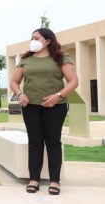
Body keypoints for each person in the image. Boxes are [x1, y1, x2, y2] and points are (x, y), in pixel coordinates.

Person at [10, 28, 78, 195]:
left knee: (53, 142)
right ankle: (34, 179)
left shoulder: (61, 57)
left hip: (55, 106)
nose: (32, 40)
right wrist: (20, 94)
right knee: (34, 141)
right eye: (31, 37)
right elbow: (14, 81)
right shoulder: (26, 59)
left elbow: (73, 81)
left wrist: (58, 95)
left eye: (36, 38)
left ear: (47, 41)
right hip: (30, 106)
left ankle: (55, 181)